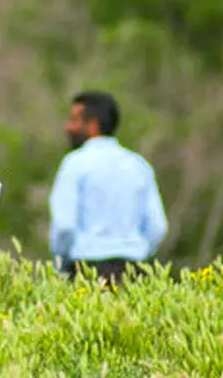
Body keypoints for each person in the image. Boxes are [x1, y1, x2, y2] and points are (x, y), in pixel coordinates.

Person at [48, 90, 169, 286]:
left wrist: (61, 267)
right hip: (133, 273)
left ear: (92, 124)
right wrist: (136, 252)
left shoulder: (74, 164)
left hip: (87, 272)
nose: (67, 127)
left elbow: (64, 226)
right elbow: (157, 227)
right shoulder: (138, 165)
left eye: (74, 120)